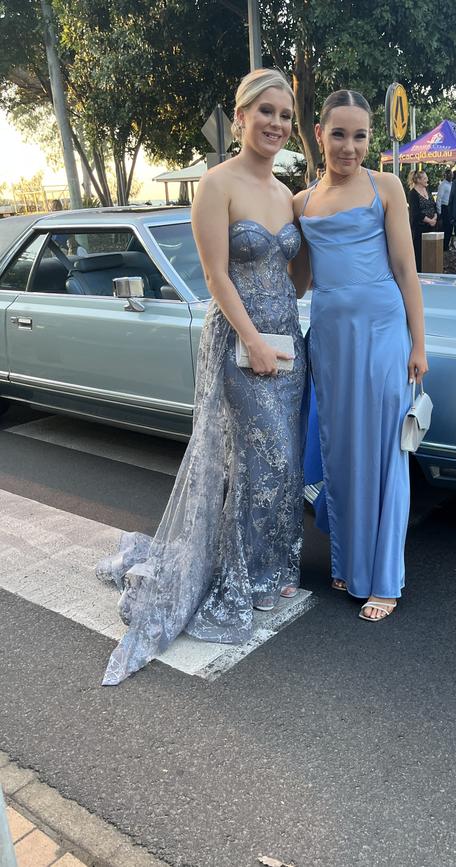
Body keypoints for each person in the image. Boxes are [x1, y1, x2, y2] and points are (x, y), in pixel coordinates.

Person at [96, 68, 308, 685]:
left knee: (284, 460)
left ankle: (273, 569)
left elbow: (297, 269)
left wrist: (286, 319)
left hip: (285, 342)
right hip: (240, 345)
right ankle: (239, 577)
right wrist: (252, 338)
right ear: (240, 117)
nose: (275, 123)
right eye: (264, 111)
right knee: (255, 461)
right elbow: (217, 276)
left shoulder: (286, 192)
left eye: (285, 116)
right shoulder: (216, 185)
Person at [292, 89, 427, 622]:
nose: (350, 146)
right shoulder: (300, 203)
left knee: (385, 453)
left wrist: (419, 343)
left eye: (361, 135)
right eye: (340, 134)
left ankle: (386, 578)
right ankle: (347, 560)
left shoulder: (386, 186)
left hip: (383, 333)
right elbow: (298, 282)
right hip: (329, 339)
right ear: (320, 134)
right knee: (340, 451)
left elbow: (405, 269)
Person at [407, 169, 438, 271]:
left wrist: (434, 218)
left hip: (431, 228)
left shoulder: (427, 191)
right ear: (419, 180)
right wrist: (429, 221)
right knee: (420, 255)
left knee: (431, 254)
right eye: (425, 178)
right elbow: (415, 213)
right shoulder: (413, 194)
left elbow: (433, 205)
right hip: (419, 230)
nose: (427, 179)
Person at [437, 169, 453, 250]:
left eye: (451, 174)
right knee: (446, 228)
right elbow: (439, 199)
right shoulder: (443, 185)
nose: (451, 176)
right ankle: (444, 246)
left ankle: (447, 245)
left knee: (450, 228)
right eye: (449, 174)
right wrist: (439, 212)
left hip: (450, 208)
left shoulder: (451, 184)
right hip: (445, 208)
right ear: (445, 175)